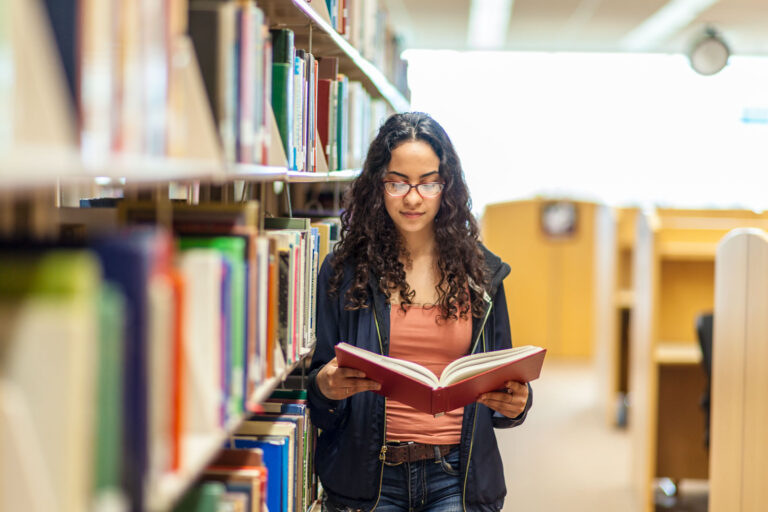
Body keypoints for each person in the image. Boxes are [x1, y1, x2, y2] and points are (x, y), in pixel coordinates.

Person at [307, 112, 533, 512]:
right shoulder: (344, 272)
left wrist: (518, 403)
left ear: (446, 188)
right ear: (377, 186)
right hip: (368, 478)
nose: (413, 197)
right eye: (398, 183)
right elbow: (319, 392)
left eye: (428, 183)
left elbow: (504, 386)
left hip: (457, 478)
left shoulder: (483, 274)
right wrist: (325, 386)